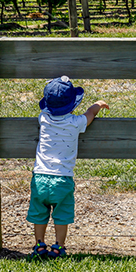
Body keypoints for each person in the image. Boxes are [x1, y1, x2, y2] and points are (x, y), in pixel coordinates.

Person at [27, 75, 109, 258]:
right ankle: (58, 246)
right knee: (61, 215)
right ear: (72, 104)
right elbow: (90, 115)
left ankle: (39, 245)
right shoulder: (75, 123)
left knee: (40, 212)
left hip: (40, 177)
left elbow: (46, 112)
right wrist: (97, 105)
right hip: (62, 179)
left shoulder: (44, 118)